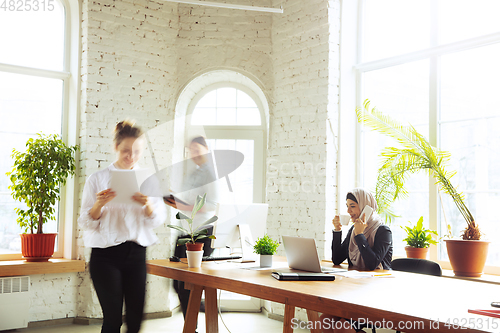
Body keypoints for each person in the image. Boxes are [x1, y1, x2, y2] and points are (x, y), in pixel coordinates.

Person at [78, 120, 167, 333]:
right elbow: (86, 222)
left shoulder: (149, 180)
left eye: (137, 152)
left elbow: (157, 220)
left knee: (135, 320)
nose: (131, 157)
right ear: (116, 147)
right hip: (105, 256)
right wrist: (99, 204)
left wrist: (146, 205)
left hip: (136, 254)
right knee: (113, 320)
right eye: (126, 151)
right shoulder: (97, 179)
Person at [320, 188, 392, 333]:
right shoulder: (353, 231)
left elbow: (372, 263)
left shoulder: (383, 231)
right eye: (347, 206)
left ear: (367, 207)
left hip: (375, 294)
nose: (348, 211)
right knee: (323, 321)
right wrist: (337, 230)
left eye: (352, 206)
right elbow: (337, 258)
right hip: (354, 290)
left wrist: (360, 235)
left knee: (342, 328)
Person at [164, 136, 220, 319]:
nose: (193, 154)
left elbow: (211, 204)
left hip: (201, 233)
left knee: (187, 284)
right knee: (177, 283)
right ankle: (191, 323)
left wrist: (184, 206)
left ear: (206, 149)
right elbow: (189, 200)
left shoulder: (211, 173)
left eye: (197, 150)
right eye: (191, 151)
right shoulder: (194, 173)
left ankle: (191, 326)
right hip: (185, 231)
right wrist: (176, 201)